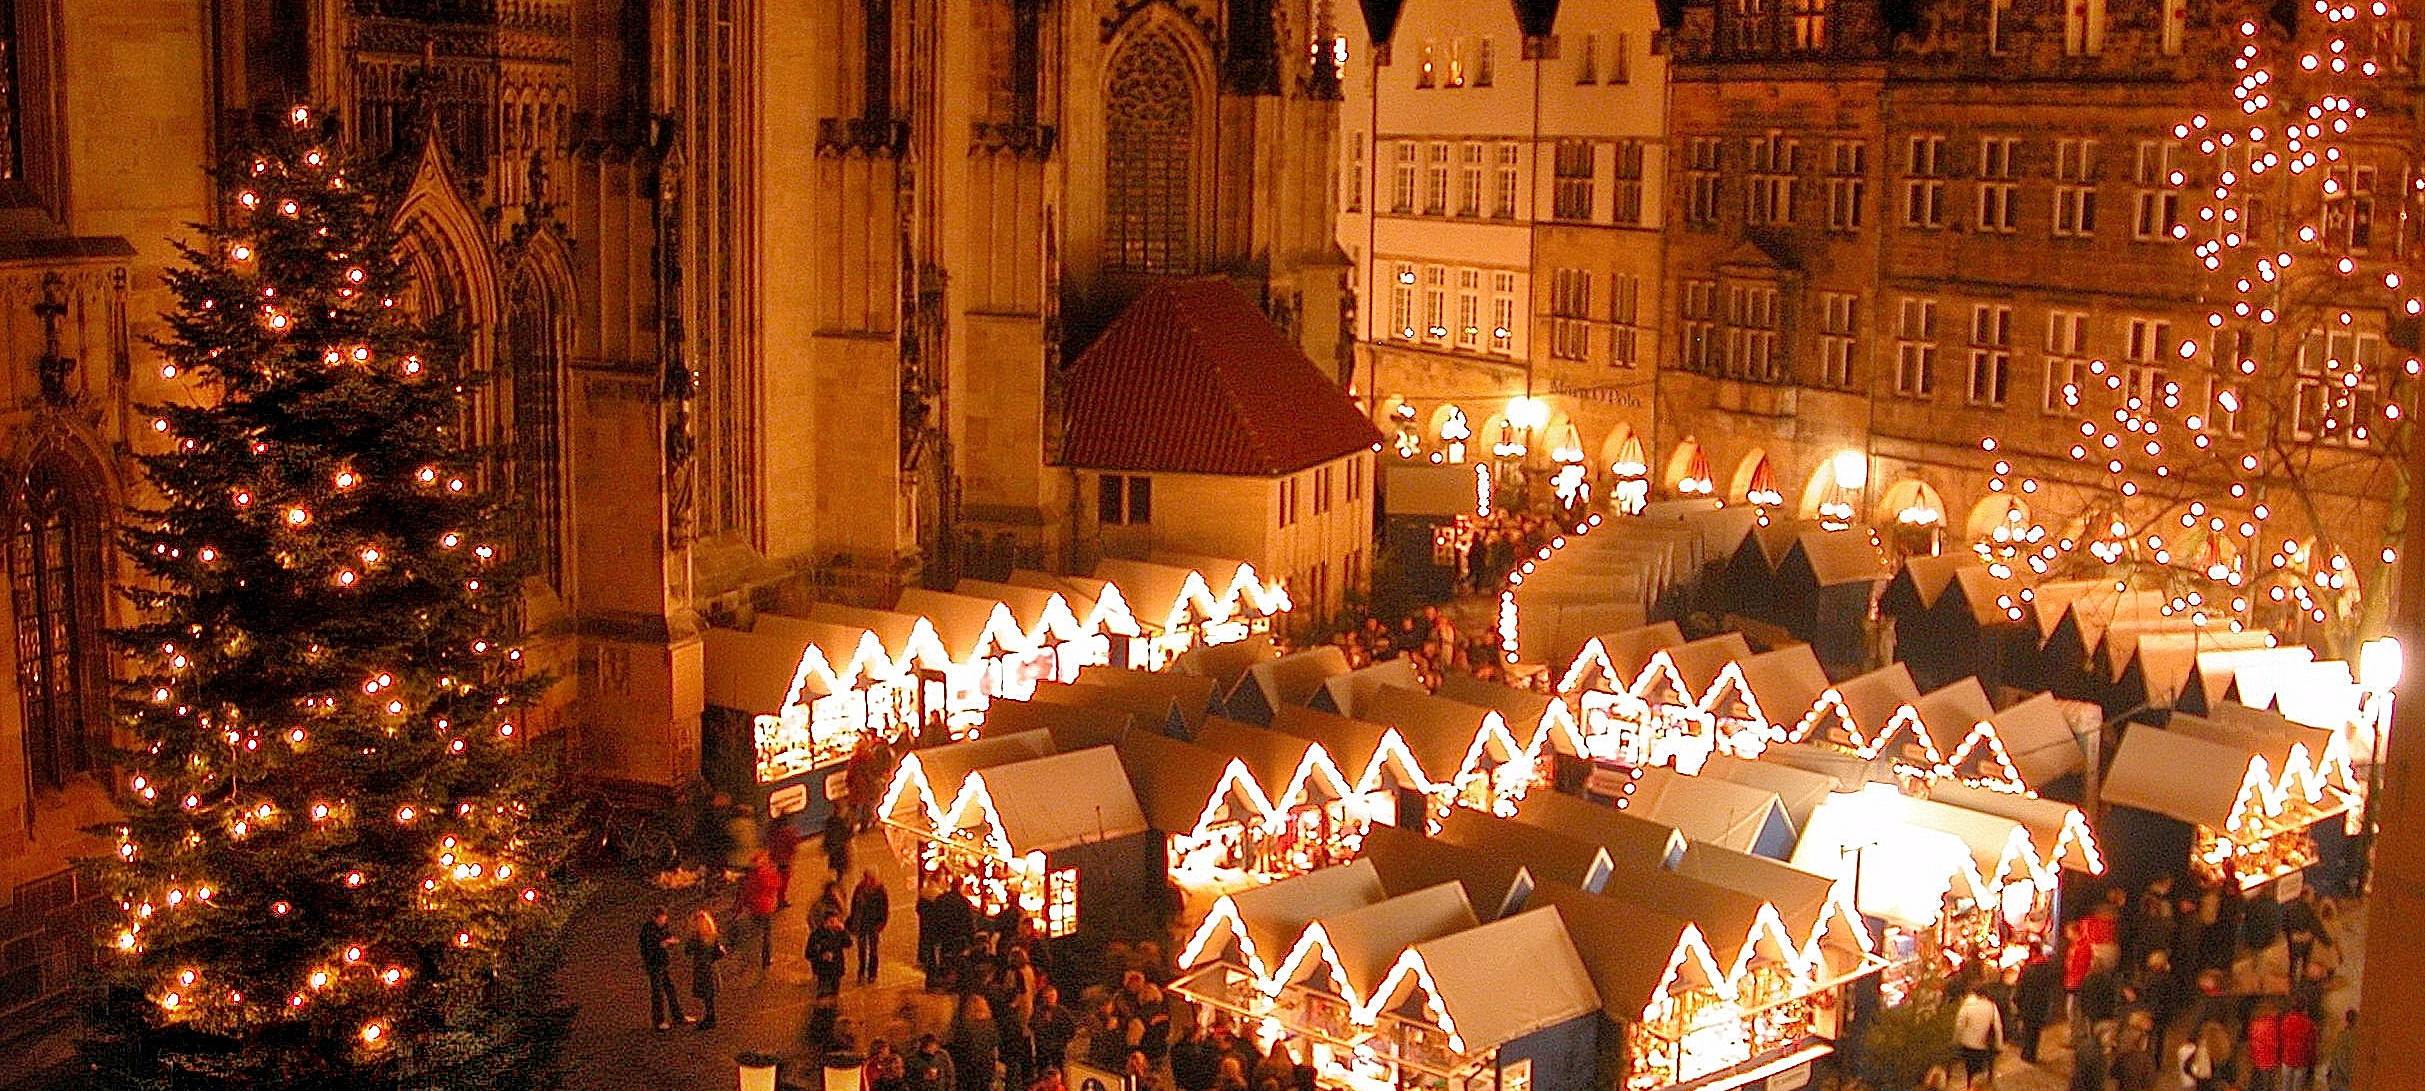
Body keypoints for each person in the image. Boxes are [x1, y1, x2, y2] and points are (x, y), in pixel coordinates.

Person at [639, 906, 687, 1029]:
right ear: (654, 918)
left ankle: (678, 1016)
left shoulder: (663, 926)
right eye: (661, 919)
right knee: (657, 992)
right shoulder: (648, 929)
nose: (663, 921)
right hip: (654, 964)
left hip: (664, 962)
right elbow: (649, 947)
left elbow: (669, 937)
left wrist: (670, 942)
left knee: (670, 989)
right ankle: (659, 1021)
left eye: (664, 919)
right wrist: (662, 944)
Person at [2013, 945, 2060, 1064]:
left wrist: (2017, 1002)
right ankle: (2032, 1053)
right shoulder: (2049, 968)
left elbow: (2021, 988)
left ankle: (2026, 1053)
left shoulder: (2029, 970)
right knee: (2036, 1030)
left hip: (2029, 1004)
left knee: (2028, 1029)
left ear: (2033, 953)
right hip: (2042, 1004)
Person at [738, 850, 783, 969]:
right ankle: (766, 959)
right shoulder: (765, 873)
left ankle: (751, 956)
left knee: (756, 932)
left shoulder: (750, 876)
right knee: (766, 934)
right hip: (766, 908)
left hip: (754, 908)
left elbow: (746, 892)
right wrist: (773, 871)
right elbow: (777, 883)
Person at [683, 909, 726, 1030]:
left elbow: (687, 951)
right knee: (710, 995)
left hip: (701, 969)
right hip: (711, 968)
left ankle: (710, 1019)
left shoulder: (695, 939)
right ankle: (710, 1017)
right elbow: (719, 953)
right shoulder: (712, 936)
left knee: (706, 995)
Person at [1954, 985, 2003, 1089]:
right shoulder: (1991, 1006)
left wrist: (1956, 1039)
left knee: (1969, 1069)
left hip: (1967, 1043)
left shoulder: (1967, 1005)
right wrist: (1999, 1045)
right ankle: (1978, 1087)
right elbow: (1997, 1027)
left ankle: (1969, 1086)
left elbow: (1960, 1024)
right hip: (1983, 1044)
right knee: (1979, 1069)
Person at [949, 994, 1002, 1091]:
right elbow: (994, 1048)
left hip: (969, 1067)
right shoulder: (991, 1024)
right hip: (986, 1065)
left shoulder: (964, 1026)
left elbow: (959, 1048)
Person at [850, 868, 891, 984]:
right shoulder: (859, 888)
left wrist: (881, 925)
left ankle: (872, 973)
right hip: (862, 923)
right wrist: (854, 921)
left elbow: (884, 909)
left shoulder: (880, 890)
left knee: (873, 950)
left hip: (873, 924)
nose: (868, 880)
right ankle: (861, 972)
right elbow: (854, 906)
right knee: (861, 950)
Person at [807, 909, 851, 997]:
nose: (834, 924)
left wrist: (843, 931)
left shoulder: (838, 932)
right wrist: (821, 956)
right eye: (831, 922)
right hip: (823, 970)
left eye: (836, 921)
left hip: (836, 970)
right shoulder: (816, 935)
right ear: (825, 922)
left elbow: (848, 944)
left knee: (834, 994)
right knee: (823, 994)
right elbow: (808, 953)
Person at [767, 815, 803, 908]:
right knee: (783, 883)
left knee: (776, 880)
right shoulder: (788, 832)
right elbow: (793, 845)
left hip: (774, 859)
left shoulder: (772, 832)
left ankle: (776, 899)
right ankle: (781, 901)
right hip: (784, 861)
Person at [2280, 1005, 2318, 1091]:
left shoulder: (2286, 1021)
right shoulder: (2309, 1023)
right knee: (2298, 1087)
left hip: (2287, 1058)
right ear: (2304, 1009)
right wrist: (2312, 1059)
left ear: (2292, 1009)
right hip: (2302, 1060)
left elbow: (2281, 1039)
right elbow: (2312, 1044)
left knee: (2285, 1086)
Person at [2247, 1003, 2283, 1091]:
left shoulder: (2254, 1024)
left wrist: (2253, 1055)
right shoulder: (2274, 1024)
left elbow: (2252, 1041)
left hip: (2259, 1058)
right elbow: (2277, 1041)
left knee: (2263, 1080)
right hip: (2271, 1058)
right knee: (2270, 1080)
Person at [2323, 1009, 2357, 1091]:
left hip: (2336, 1079)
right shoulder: (2349, 1037)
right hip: (2341, 1082)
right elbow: (2342, 1060)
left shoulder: (2342, 1035)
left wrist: (2329, 1072)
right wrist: (2351, 1078)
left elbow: (2334, 1055)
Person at [824, 812, 855, 879]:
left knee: (839, 871)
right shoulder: (841, 822)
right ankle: (839, 881)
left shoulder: (831, 821)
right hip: (840, 851)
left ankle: (838, 880)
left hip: (836, 851)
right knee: (840, 871)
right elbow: (848, 837)